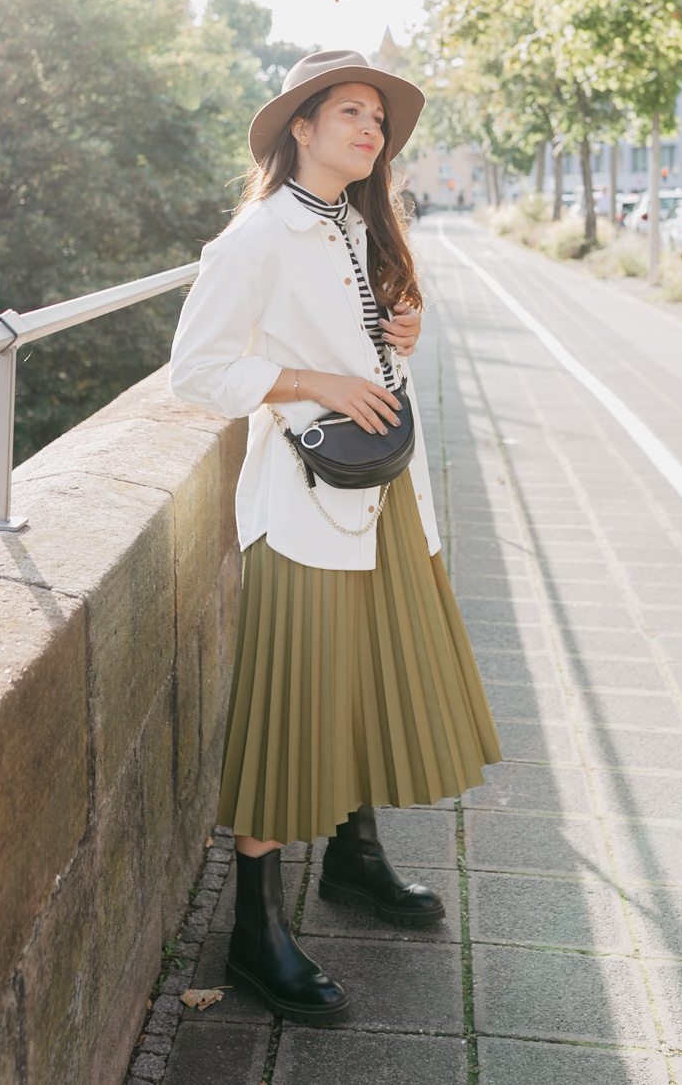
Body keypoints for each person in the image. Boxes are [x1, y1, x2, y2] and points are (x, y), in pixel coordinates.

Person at [169, 49, 501, 1023]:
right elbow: (196, 372)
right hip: (307, 500)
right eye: (349, 112)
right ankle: (255, 934)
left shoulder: (354, 226)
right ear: (299, 130)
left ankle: (354, 863)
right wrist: (311, 381)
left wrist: (398, 335)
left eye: (379, 117)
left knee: (375, 675)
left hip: (386, 492)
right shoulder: (257, 237)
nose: (372, 128)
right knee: (291, 704)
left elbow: (364, 339)